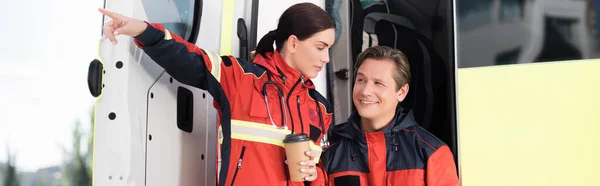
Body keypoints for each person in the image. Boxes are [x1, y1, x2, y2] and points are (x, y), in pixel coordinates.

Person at [98, 2, 335, 186]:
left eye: (328, 50)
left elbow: (320, 173)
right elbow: (188, 58)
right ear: (293, 43)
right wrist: (142, 30)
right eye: (320, 48)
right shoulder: (241, 78)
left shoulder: (321, 108)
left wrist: (314, 176)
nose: (326, 58)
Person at [320, 46, 459, 186]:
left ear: (401, 92)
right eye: (361, 80)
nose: (366, 91)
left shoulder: (432, 152)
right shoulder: (331, 148)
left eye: (378, 83)